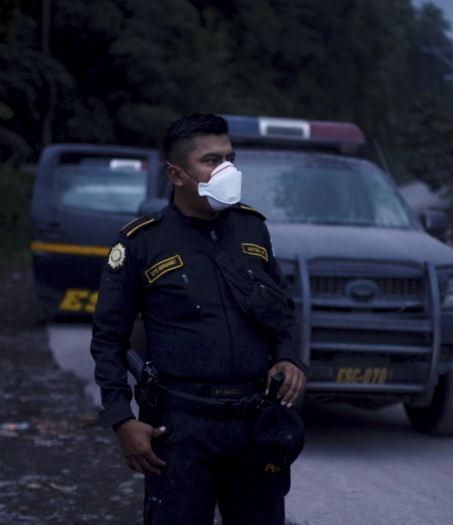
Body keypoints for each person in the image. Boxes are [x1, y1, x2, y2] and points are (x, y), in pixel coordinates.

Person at [90, 113, 307, 525]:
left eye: (230, 158)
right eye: (211, 160)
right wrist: (120, 419)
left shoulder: (252, 229)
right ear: (177, 175)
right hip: (180, 430)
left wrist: (287, 356)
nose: (226, 169)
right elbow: (107, 339)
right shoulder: (142, 242)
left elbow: (281, 311)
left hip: (254, 423)